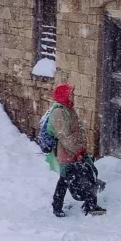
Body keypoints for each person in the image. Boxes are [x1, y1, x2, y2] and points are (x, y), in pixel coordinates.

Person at [39, 83, 105, 217]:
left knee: (87, 173)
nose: (73, 95)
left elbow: (75, 131)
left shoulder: (68, 108)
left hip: (75, 151)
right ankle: (60, 206)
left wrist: (80, 149)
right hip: (67, 153)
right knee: (67, 179)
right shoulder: (59, 112)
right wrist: (77, 151)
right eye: (70, 93)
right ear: (64, 95)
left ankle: (87, 204)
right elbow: (65, 136)